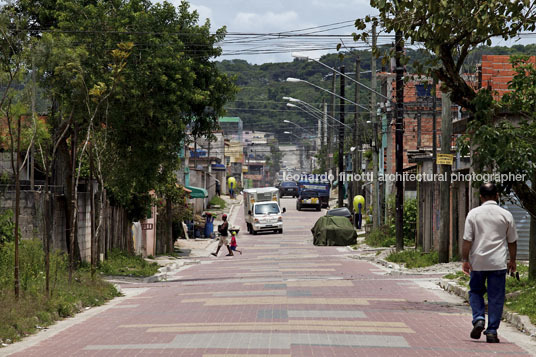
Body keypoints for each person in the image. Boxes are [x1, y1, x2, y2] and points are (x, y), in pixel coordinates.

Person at [462, 182, 517, 344]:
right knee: (496, 297)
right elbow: (512, 241)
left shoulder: (473, 214)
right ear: (497, 196)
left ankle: (479, 318)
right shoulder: (506, 215)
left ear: (481, 197)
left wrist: (465, 260)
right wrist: (512, 260)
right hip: (498, 263)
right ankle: (492, 331)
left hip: (478, 262)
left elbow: (467, 240)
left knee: (475, 292)